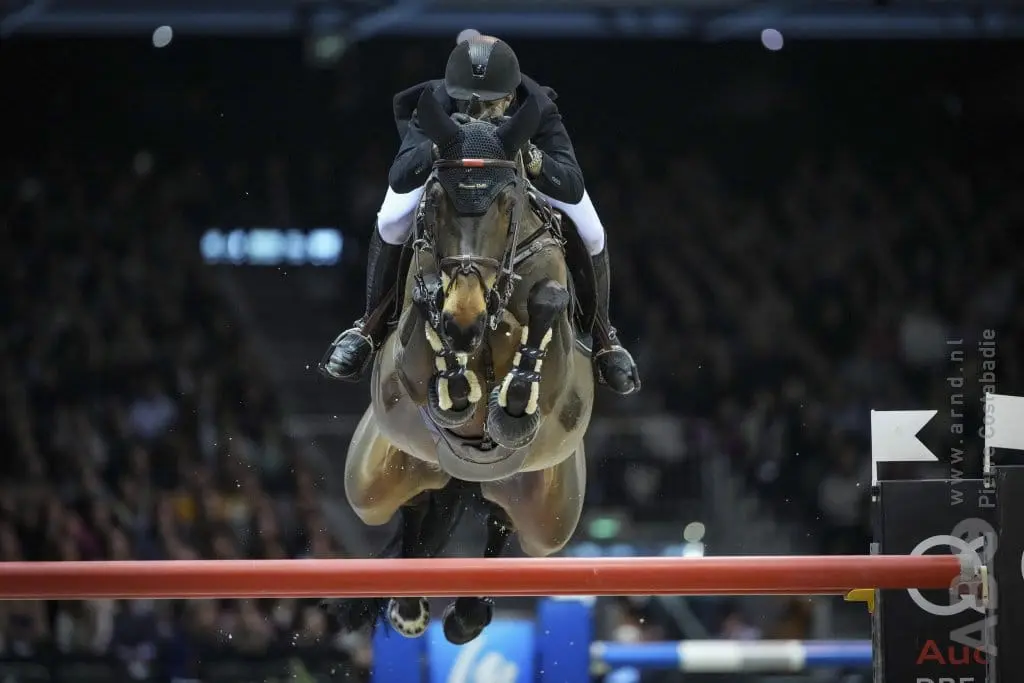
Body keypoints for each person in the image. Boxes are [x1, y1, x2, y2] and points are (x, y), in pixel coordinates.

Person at [321, 35, 640, 395]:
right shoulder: (434, 103)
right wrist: (437, 146)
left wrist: (532, 157)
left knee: (592, 232)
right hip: (448, 179)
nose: (478, 109)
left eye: (490, 103)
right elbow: (400, 175)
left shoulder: (538, 107)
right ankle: (369, 328)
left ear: (510, 96)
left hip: (513, 182)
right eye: (468, 101)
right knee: (391, 221)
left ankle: (604, 338)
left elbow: (570, 183)